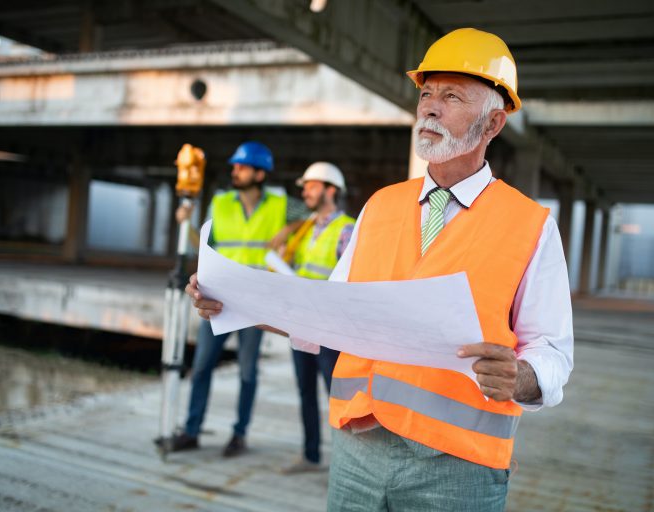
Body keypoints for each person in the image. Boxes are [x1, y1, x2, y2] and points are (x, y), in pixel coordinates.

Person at [187, 28, 573, 511]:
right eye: (427, 93)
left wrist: (521, 377)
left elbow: (554, 351)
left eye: (451, 96)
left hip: (459, 469)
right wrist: (235, 301)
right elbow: (326, 318)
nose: (430, 108)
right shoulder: (380, 207)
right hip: (356, 454)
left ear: (493, 124)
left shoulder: (530, 226)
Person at [167, 141, 306, 457]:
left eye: (241, 167)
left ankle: (239, 435)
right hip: (219, 299)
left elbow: (311, 215)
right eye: (235, 167)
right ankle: (191, 431)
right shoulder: (221, 202)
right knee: (201, 366)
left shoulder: (281, 203)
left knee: (247, 372)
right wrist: (186, 223)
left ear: (259, 173)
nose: (235, 171)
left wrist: (287, 230)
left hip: (256, 304)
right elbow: (205, 246)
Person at [275, 162, 355, 474]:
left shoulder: (346, 228)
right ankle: (310, 456)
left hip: (329, 330)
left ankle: (346, 465)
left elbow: (350, 282)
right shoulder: (305, 227)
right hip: (301, 325)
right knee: (305, 390)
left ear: (330, 190)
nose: (305, 191)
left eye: (311, 185)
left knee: (336, 396)